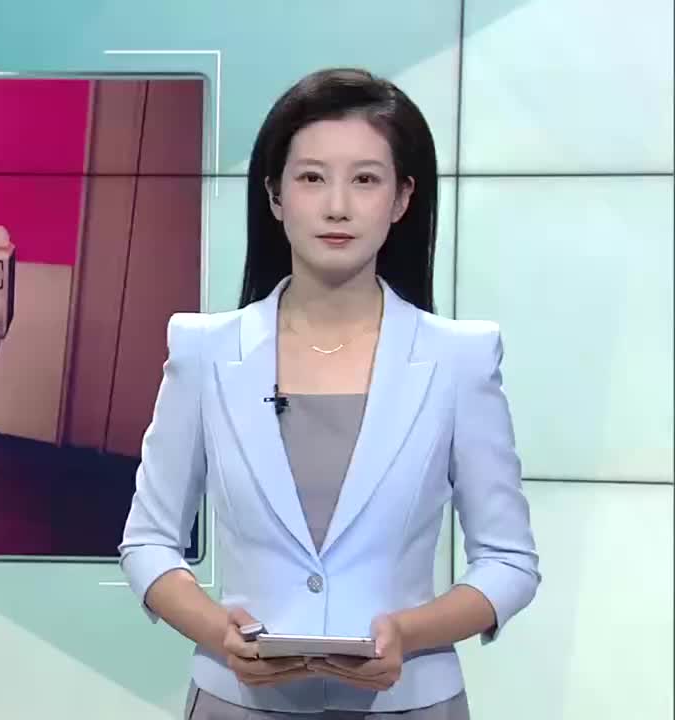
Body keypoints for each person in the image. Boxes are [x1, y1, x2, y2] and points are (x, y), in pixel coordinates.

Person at [118, 68, 540, 719]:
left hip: (409, 703)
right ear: (275, 194)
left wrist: (409, 633)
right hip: (239, 703)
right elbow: (147, 543)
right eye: (312, 178)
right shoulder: (204, 351)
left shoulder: (459, 359)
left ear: (402, 198)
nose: (337, 205)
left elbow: (508, 562)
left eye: (365, 180)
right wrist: (218, 632)